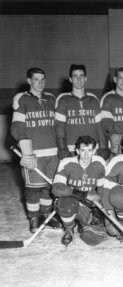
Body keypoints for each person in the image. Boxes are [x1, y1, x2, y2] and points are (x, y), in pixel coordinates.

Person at [11, 67, 61, 233]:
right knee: (33, 188)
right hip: (35, 154)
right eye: (36, 79)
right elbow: (17, 127)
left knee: (49, 186)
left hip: (52, 153)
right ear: (29, 81)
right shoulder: (22, 98)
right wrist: (27, 151)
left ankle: (46, 215)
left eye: (42, 79)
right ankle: (34, 218)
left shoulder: (51, 99)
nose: (40, 83)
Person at [52, 136, 107, 246]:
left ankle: (84, 225)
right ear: (77, 151)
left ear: (94, 150)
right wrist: (84, 194)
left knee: (93, 238)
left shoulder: (99, 163)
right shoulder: (67, 163)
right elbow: (56, 189)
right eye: (83, 151)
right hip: (68, 202)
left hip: (87, 205)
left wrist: (99, 209)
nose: (86, 155)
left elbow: (102, 189)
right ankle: (69, 228)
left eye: (89, 150)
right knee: (68, 205)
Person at [55, 64, 109, 161]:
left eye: (81, 76)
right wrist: (62, 147)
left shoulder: (93, 100)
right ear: (70, 79)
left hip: (92, 149)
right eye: (75, 76)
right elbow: (60, 127)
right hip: (72, 150)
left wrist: (104, 146)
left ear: (85, 78)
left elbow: (99, 126)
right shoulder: (63, 99)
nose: (79, 79)